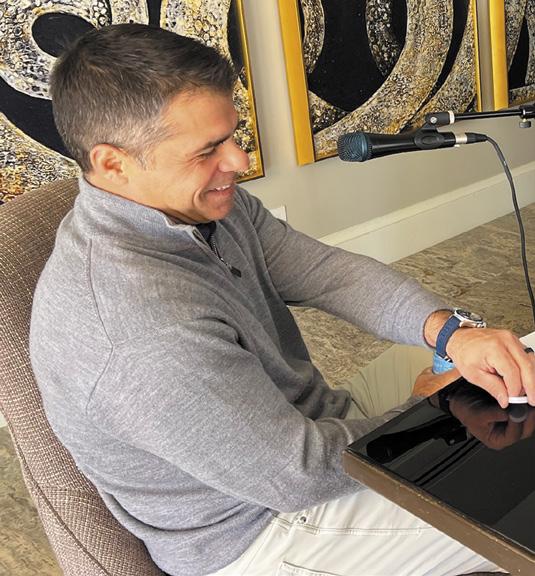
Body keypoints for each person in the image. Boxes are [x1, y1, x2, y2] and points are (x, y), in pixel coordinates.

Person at [29, 23, 534, 576]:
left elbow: (326, 273)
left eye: (232, 135)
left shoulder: (198, 205)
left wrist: (450, 333)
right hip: (265, 530)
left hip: (311, 432)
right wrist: (426, 414)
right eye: (208, 150)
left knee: (519, 361)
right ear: (113, 164)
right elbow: (296, 474)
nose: (239, 161)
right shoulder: (137, 329)